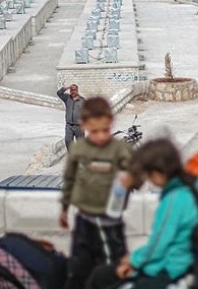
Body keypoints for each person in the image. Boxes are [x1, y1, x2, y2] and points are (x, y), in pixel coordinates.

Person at [85, 138, 198, 289]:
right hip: (182, 261)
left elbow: (159, 244)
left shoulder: (174, 199)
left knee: (100, 277)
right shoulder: (195, 186)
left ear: (158, 174)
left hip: (169, 268)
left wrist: (133, 261)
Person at [60, 97, 132, 289]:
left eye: (105, 130)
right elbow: (70, 179)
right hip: (84, 220)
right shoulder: (79, 150)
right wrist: (65, 209)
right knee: (77, 269)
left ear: (111, 122)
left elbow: (134, 178)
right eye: (94, 131)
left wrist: (130, 179)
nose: (100, 136)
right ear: (84, 125)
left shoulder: (119, 149)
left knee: (112, 271)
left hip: (110, 222)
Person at [58, 84, 86, 151]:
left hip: (79, 127)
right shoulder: (67, 98)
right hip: (69, 126)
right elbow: (59, 93)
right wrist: (66, 87)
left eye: (74, 90)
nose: (73, 91)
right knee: (68, 141)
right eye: (71, 90)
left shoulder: (82, 100)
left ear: (77, 90)